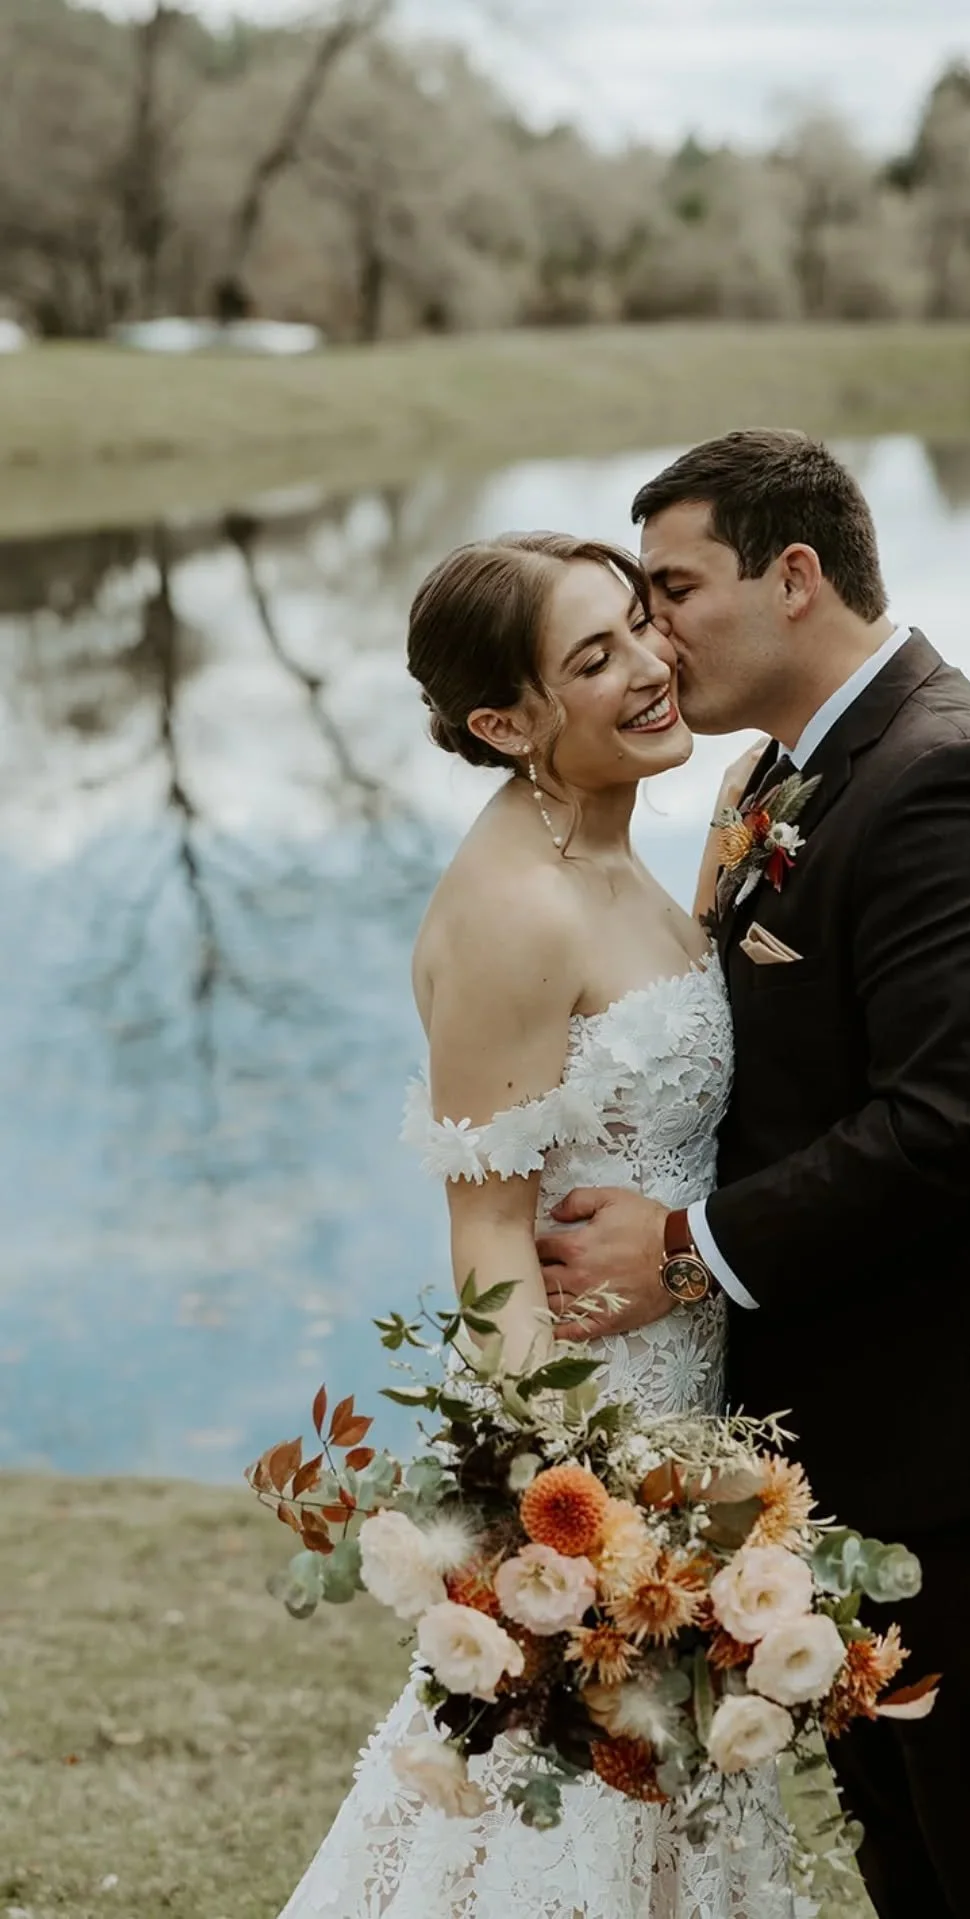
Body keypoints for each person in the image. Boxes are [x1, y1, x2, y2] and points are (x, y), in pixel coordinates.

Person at [538, 430, 970, 1917]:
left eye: (673, 588)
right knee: (919, 1849)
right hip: (874, 1418)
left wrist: (687, 1247)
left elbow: (956, 1125)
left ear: (794, 575)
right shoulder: (803, 767)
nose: (652, 634)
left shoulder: (958, 780)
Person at [276, 532, 796, 1918]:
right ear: (505, 720)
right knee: (556, 1800)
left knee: (680, 1798)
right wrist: (565, 1518)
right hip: (597, 1439)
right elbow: (489, 1238)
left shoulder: (625, 848)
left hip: (692, 1403)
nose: (649, 665)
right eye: (595, 656)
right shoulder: (513, 908)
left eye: (640, 623)